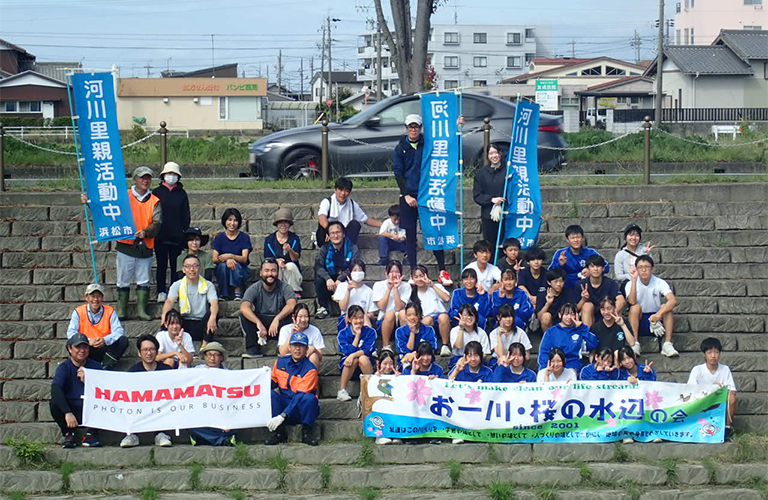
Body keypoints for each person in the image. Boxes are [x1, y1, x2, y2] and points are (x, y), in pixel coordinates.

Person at [393, 113, 452, 285]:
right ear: (406, 128)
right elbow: (398, 173)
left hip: (428, 194)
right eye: (410, 127)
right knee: (410, 235)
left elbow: (447, 146)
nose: (413, 130)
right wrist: (406, 195)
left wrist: (456, 127)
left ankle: (442, 270)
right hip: (408, 196)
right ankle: (413, 272)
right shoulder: (400, 147)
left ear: (420, 128)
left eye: (416, 127)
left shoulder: (428, 144)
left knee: (434, 232)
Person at [114, 166, 162, 320]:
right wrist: (88, 202)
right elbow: (107, 208)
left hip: (145, 246)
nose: (145, 181)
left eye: (148, 178)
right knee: (123, 279)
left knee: (144, 280)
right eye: (142, 178)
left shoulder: (155, 201)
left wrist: (146, 232)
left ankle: (142, 310)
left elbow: (157, 222)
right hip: (125, 245)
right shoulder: (123, 196)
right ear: (134, 179)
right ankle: (122, 310)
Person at [266, 332, 320, 446]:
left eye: (301, 346)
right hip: (284, 404)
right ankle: (279, 433)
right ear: (289, 347)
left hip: (300, 409)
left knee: (309, 398)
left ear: (306, 349)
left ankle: (306, 433)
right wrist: (262, 376)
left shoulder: (310, 369)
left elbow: (300, 396)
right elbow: (272, 383)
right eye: (295, 345)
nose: (297, 349)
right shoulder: (280, 362)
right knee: (271, 395)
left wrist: (283, 415)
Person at [50, 333, 103, 448]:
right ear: (70, 349)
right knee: (54, 402)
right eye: (78, 347)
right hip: (72, 409)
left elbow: (105, 390)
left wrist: (88, 380)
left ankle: (91, 433)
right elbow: (56, 388)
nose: (82, 351)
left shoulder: (96, 366)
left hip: (91, 408)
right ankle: (68, 433)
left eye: (85, 347)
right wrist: (67, 412)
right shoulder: (64, 367)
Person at [120, 334, 173, 448]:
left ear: (157, 351)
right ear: (139, 353)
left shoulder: (167, 370)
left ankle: (161, 434)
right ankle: (132, 434)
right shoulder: (133, 372)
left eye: (152, 349)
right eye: (145, 350)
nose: (149, 353)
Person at [240, 258, 297, 358]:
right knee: (244, 315)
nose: (270, 274)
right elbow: (244, 307)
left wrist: (277, 319)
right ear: (260, 273)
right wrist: (258, 323)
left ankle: (284, 348)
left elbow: (292, 304)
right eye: (266, 270)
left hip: (278, 325)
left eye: (273, 270)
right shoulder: (254, 288)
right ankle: (253, 349)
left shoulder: (285, 287)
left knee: (291, 314)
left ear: (278, 272)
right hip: (260, 327)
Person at [625, 255, 679, 358]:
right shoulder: (630, 283)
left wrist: (658, 314)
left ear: (652, 269)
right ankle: (635, 344)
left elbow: (672, 300)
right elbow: (631, 301)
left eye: (647, 267)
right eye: (640, 267)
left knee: (666, 307)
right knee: (635, 307)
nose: (643, 270)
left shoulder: (660, 282)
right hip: (639, 319)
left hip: (657, 320)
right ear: (636, 269)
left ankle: (667, 344)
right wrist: (634, 280)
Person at [152, 161, 190, 303]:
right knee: (161, 265)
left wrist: (184, 231)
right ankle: (161, 291)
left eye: (174, 174)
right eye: (169, 173)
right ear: (163, 175)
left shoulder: (182, 193)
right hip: (160, 236)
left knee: (176, 266)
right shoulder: (156, 192)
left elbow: (186, 215)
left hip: (177, 236)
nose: (171, 176)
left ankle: (175, 291)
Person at [66, 283, 128, 369]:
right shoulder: (78, 311)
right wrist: (88, 341)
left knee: (123, 341)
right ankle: (82, 365)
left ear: (102, 298)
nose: (95, 299)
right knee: (70, 344)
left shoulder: (110, 311)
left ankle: (106, 365)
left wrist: (105, 340)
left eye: (99, 296)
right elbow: (71, 333)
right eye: (93, 296)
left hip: (104, 347)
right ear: (87, 298)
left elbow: (119, 331)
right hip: (87, 347)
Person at [162, 254, 219, 346]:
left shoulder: (208, 285)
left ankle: (205, 345)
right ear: (183, 269)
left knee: (214, 313)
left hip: (202, 324)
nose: (192, 269)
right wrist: (164, 316)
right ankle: (169, 344)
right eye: (188, 266)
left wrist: (213, 317)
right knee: (169, 314)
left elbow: (214, 302)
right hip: (183, 323)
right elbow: (169, 301)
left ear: (200, 268)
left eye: (195, 266)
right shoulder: (177, 284)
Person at [189, 342, 237, 446]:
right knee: (188, 421)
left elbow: (233, 399)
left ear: (221, 358)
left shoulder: (229, 374)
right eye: (209, 354)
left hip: (223, 411)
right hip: (202, 411)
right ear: (204, 357)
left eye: (216, 355)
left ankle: (204, 438)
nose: (212, 358)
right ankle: (221, 439)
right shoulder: (196, 371)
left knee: (237, 421)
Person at [688, 337, 737, 433]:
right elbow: (690, 389)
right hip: (702, 399)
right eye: (709, 352)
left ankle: (727, 428)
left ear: (720, 354)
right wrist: (710, 388)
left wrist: (720, 388)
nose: (713, 356)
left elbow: (732, 390)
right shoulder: (697, 370)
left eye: (716, 352)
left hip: (719, 399)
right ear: (704, 354)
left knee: (732, 398)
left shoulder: (725, 369)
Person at [316, 176, 381, 246]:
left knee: (355, 224)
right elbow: (322, 217)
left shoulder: (352, 204)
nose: (343, 193)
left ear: (349, 193)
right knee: (322, 227)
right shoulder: (327, 202)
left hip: (343, 236)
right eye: (340, 190)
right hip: (328, 235)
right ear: (335, 190)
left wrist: (384, 224)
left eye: (346, 191)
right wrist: (330, 232)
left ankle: (347, 247)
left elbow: (365, 219)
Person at [314, 221, 359, 320]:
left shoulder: (352, 248)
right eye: (332, 233)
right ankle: (323, 307)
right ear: (328, 236)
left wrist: (340, 278)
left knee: (355, 275)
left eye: (338, 232)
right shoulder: (324, 248)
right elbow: (318, 266)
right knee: (319, 279)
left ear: (344, 234)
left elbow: (353, 266)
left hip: (345, 277)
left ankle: (348, 306)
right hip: (330, 279)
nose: (336, 235)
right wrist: (327, 278)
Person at [537, 303, 598, 372]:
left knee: (571, 372)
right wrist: (544, 370)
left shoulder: (580, 330)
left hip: (573, 365)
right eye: (566, 314)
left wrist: (582, 327)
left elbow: (594, 344)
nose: (569, 317)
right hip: (555, 364)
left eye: (572, 314)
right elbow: (544, 352)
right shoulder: (551, 331)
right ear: (560, 315)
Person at [472, 143, 508, 259]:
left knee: (505, 243)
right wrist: (491, 199)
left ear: (500, 154)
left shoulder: (508, 171)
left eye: (496, 153)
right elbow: (477, 195)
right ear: (487, 156)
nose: (494, 156)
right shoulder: (481, 173)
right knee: (490, 244)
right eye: (491, 153)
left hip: (506, 214)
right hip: (489, 215)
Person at [337, 305, 376, 401]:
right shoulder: (343, 333)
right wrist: (357, 336)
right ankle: (342, 390)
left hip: (366, 364)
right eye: (355, 318)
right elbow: (347, 352)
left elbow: (367, 350)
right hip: (348, 365)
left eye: (361, 317)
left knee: (362, 358)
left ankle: (368, 390)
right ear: (349, 319)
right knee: (353, 360)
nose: (359, 321)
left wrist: (353, 355)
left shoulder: (371, 332)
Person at [212, 207, 252, 301]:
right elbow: (214, 259)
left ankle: (238, 291)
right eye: (229, 220)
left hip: (241, 269)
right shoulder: (219, 237)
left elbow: (244, 258)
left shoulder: (244, 237)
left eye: (235, 220)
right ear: (225, 221)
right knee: (223, 266)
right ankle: (223, 294)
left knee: (235, 264)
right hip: (223, 269)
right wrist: (227, 260)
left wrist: (231, 257)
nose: (232, 223)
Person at [410, 265, 451, 354]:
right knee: (427, 320)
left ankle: (445, 346)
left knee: (443, 317)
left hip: (441, 318)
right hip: (426, 319)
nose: (419, 279)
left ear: (426, 276)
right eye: (416, 277)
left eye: (421, 276)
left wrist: (432, 286)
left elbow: (447, 299)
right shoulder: (413, 293)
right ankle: (426, 348)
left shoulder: (436, 286)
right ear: (412, 278)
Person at [372, 260, 411, 349]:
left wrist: (396, 288)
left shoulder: (406, 286)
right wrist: (389, 288)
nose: (394, 275)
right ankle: (386, 346)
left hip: (401, 320)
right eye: (391, 272)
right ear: (386, 273)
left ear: (401, 274)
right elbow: (381, 307)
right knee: (390, 313)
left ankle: (405, 346)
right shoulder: (378, 285)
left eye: (397, 272)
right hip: (384, 321)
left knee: (403, 313)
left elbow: (399, 307)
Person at [264, 208, 303, 298]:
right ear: (277, 224)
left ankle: (294, 290)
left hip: (291, 271)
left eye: (286, 222)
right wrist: (277, 261)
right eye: (280, 222)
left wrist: (290, 250)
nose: (283, 225)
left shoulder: (294, 238)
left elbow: (296, 258)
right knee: (274, 267)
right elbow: (267, 259)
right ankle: (277, 291)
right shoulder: (269, 240)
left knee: (290, 266)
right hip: (277, 268)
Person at [577, 254, 625, 327]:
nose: (595, 269)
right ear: (587, 269)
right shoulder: (581, 284)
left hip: (608, 316)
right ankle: (587, 334)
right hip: (590, 317)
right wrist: (583, 300)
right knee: (587, 306)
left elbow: (621, 300)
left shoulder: (610, 283)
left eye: (598, 266)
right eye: (592, 266)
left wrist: (612, 311)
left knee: (613, 307)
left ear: (603, 268)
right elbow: (575, 309)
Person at [333, 259, 376, 331]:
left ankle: (367, 337)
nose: (357, 273)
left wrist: (360, 317)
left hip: (363, 320)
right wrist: (348, 291)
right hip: (346, 318)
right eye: (354, 270)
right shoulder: (342, 286)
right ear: (350, 272)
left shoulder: (369, 291)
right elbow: (343, 308)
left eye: (360, 270)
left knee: (364, 318)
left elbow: (371, 313)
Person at [278, 303, 325, 369]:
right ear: (293, 317)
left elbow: (320, 357)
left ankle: (311, 375)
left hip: (307, 361)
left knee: (314, 356)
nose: (303, 320)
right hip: (291, 362)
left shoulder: (315, 330)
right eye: (300, 316)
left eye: (306, 316)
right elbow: (283, 353)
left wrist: (314, 349)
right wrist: (292, 333)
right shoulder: (285, 329)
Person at [449, 303, 491, 369]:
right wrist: (461, 329)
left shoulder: (481, 332)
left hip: (477, 360)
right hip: (459, 358)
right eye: (465, 315)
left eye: (471, 315)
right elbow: (458, 346)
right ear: (460, 316)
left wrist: (474, 360)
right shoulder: (454, 330)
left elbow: (485, 353)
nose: (469, 317)